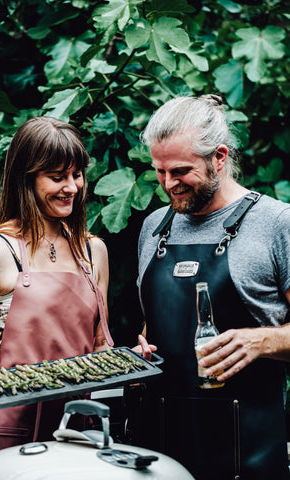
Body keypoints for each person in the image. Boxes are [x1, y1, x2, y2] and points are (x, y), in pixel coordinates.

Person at [132, 94, 290, 480]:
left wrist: (260, 342)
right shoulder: (155, 226)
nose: (169, 184)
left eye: (181, 171)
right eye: (160, 171)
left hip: (248, 454)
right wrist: (143, 350)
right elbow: (161, 325)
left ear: (219, 157)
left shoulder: (276, 224)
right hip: (161, 452)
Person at [0, 116, 116, 466]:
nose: (72, 187)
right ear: (27, 179)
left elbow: (100, 346)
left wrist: (130, 362)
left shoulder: (93, 251)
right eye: (57, 177)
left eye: (77, 174)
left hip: (76, 433)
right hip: (5, 438)